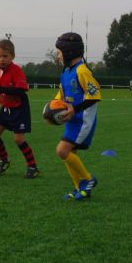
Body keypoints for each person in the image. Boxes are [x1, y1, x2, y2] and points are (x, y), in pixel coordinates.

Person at [52, 33, 101, 201]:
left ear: (70, 52)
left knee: (62, 150)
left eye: (60, 52)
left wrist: (75, 109)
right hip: (72, 120)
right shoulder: (66, 72)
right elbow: (61, 95)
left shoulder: (82, 71)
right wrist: (53, 107)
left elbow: (95, 96)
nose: (58, 55)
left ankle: (88, 179)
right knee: (69, 152)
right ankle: (79, 189)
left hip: (83, 121)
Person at [0, 39, 39, 179]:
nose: (2, 59)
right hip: (6, 109)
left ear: (12, 56)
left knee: (18, 139)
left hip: (19, 110)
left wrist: (0, 88)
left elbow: (20, 90)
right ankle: (4, 159)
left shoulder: (17, 71)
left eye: (5, 56)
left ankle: (33, 166)